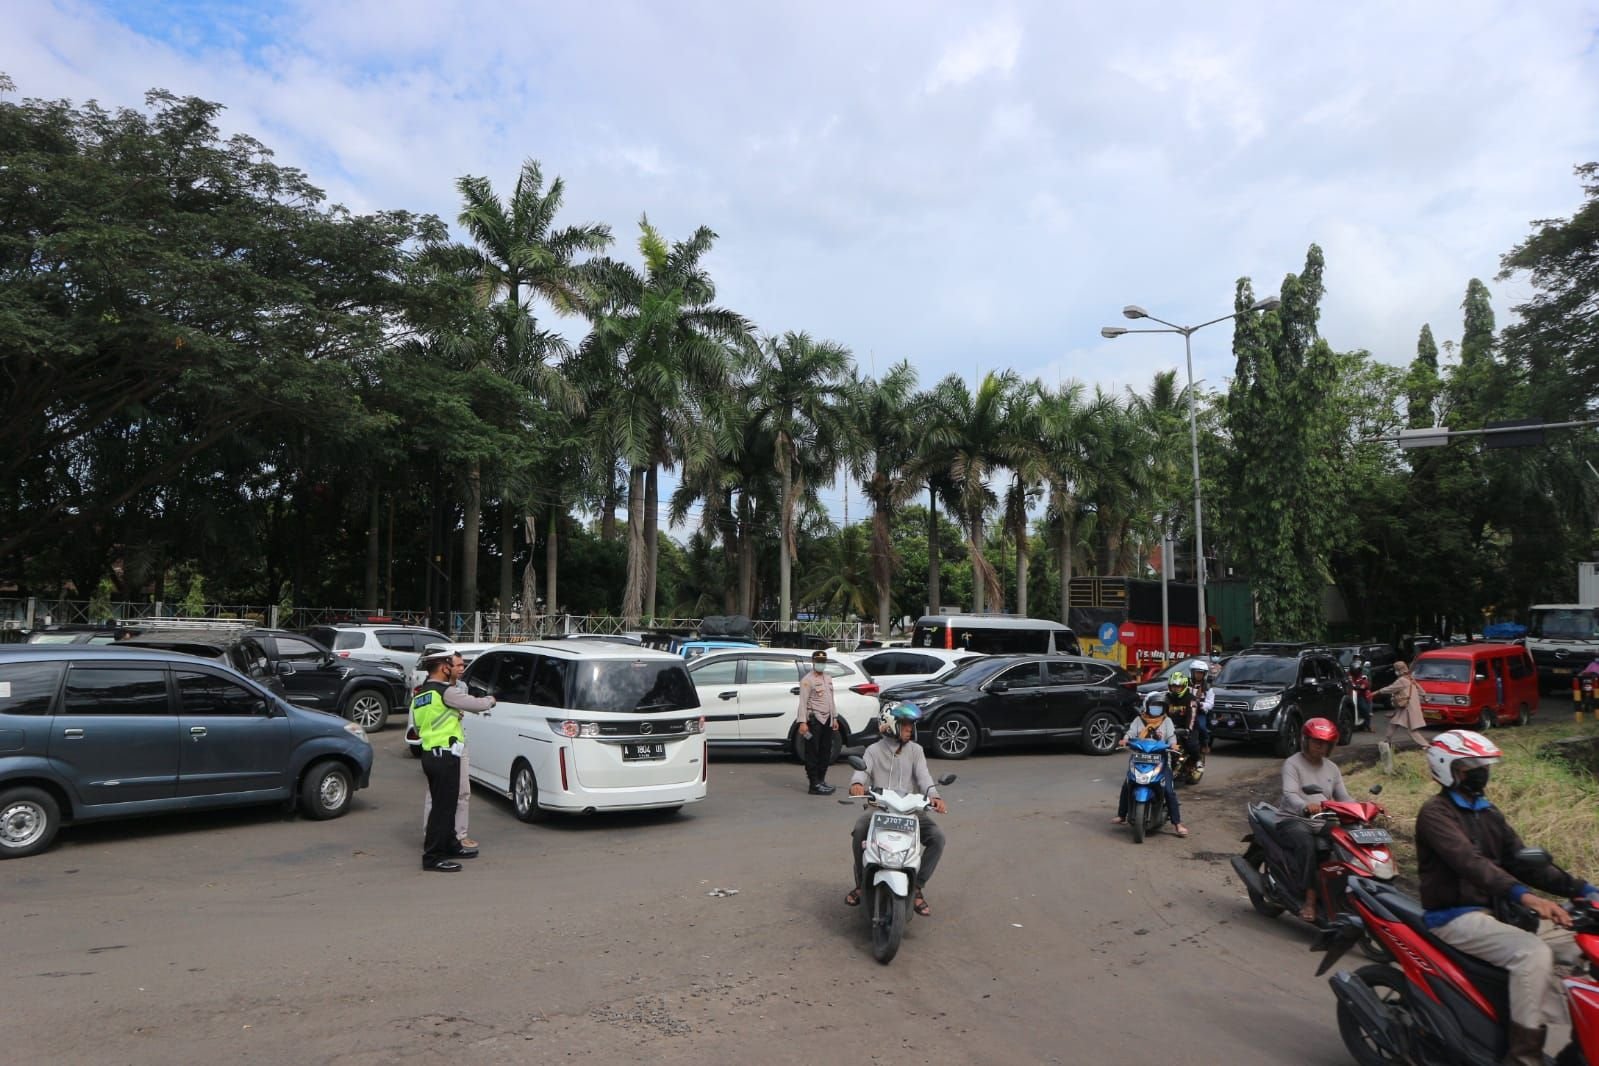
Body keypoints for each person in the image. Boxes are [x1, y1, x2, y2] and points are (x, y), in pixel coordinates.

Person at [1416, 730, 1599, 1066]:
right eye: (1471, 766)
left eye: (1483, 766)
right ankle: (1523, 1057)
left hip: (1501, 912)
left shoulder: (1487, 812)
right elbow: (1471, 864)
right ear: (1447, 768)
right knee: (1533, 954)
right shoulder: (1435, 814)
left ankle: (1582, 1048)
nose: (1481, 772)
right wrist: (1528, 898)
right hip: (1456, 916)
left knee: (1584, 943)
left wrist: (1584, 889)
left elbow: (1521, 861)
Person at [844, 702, 947, 917]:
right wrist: (857, 783)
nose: (910, 728)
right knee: (860, 828)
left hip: (910, 810)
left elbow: (924, 777)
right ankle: (861, 883)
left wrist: (934, 796)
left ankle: (917, 886)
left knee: (937, 837)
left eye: (911, 724)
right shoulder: (873, 750)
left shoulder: (916, 751)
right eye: (905, 724)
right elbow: (862, 772)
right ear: (891, 725)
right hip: (880, 808)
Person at [412, 651, 494, 872]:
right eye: (453, 664)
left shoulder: (421, 694)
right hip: (445, 755)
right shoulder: (444, 691)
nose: (459, 668)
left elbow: (418, 727)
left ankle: (450, 844)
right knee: (442, 809)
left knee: (446, 806)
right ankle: (433, 857)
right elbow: (475, 704)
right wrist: (491, 700)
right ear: (443, 667)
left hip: (431, 754)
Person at [1275, 717, 1351, 922]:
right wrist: (1304, 806)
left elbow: (1344, 797)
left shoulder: (1332, 768)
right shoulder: (1292, 764)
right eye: (1316, 742)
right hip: (1293, 819)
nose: (1320, 746)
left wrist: (1364, 809)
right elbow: (1290, 793)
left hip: (1322, 820)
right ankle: (1308, 900)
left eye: (1325, 743)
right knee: (1307, 845)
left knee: (1346, 842)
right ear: (1306, 741)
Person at [1112, 696, 1188, 837]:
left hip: (1161, 761)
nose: (1156, 708)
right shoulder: (1138, 720)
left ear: (1164, 708)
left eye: (1159, 705)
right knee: (1127, 785)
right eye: (1153, 705)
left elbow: (1171, 737)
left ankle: (1177, 823)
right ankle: (1122, 815)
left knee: (1169, 791)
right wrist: (1125, 740)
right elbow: (1130, 733)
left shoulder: (1167, 721)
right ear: (1147, 706)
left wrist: (1173, 744)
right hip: (1139, 760)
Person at [795, 649, 840, 795]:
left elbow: (831, 700)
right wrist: (802, 722)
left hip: (827, 720)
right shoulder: (807, 680)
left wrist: (835, 718)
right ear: (813, 662)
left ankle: (821, 780)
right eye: (818, 662)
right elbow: (803, 702)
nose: (821, 664)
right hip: (814, 720)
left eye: (823, 662)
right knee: (812, 752)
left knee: (826, 751)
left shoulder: (828, 678)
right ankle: (814, 784)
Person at [1372, 660, 1428, 766]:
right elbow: (1419, 688)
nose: (1395, 671)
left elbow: (1390, 688)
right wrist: (1424, 695)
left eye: (1396, 669)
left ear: (1398, 670)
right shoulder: (1409, 678)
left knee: (1411, 729)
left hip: (1407, 707)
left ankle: (1426, 745)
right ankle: (1387, 741)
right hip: (1407, 706)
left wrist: (1377, 692)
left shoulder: (1402, 680)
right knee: (1394, 723)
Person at [1349, 660, 1373, 730]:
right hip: (1350, 694)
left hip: (1359, 695)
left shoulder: (1362, 676)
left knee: (1364, 708)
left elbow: (1365, 684)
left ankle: (1367, 725)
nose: (1355, 672)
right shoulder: (1349, 675)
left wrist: (1359, 687)